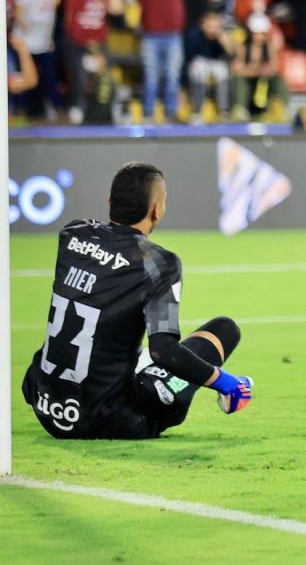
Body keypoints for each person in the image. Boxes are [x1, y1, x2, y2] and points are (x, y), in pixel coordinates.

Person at [22, 163, 254, 440]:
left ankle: (128, 367)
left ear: (110, 201)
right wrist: (227, 383)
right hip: (109, 418)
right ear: (157, 210)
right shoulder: (156, 262)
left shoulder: (73, 234)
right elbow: (163, 351)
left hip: (45, 405)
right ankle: (229, 390)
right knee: (224, 329)